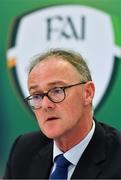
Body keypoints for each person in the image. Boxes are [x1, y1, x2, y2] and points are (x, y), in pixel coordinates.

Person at [4, 49, 121, 179]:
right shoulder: (23, 150)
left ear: (87, 93)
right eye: (36, 96)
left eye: (57, 91)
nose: (45, 105)